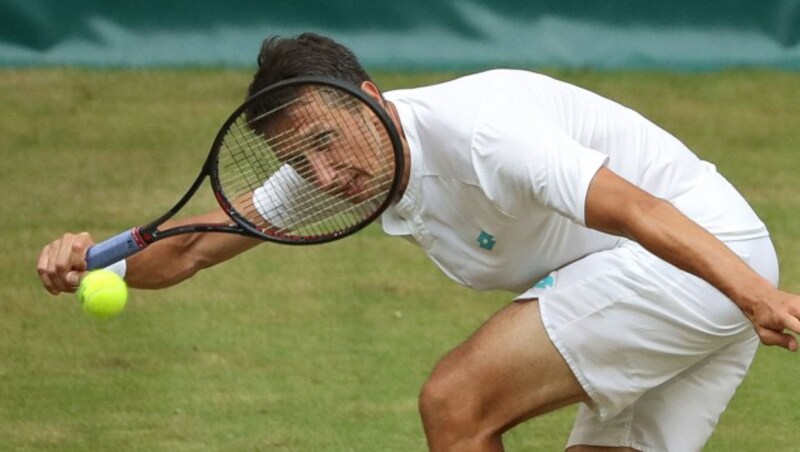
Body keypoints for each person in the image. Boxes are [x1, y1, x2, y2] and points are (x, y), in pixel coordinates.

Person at [37, 33, 800, 452]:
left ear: (370, 99)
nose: (325, 174)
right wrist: (95, 259)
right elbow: (193, 247)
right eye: (300, 161)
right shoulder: (332, 161)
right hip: (695, 274)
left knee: (456, 400)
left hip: (696, 256)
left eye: (328, 145)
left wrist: (755, 295)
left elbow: (634, 207)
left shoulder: (485, 132)